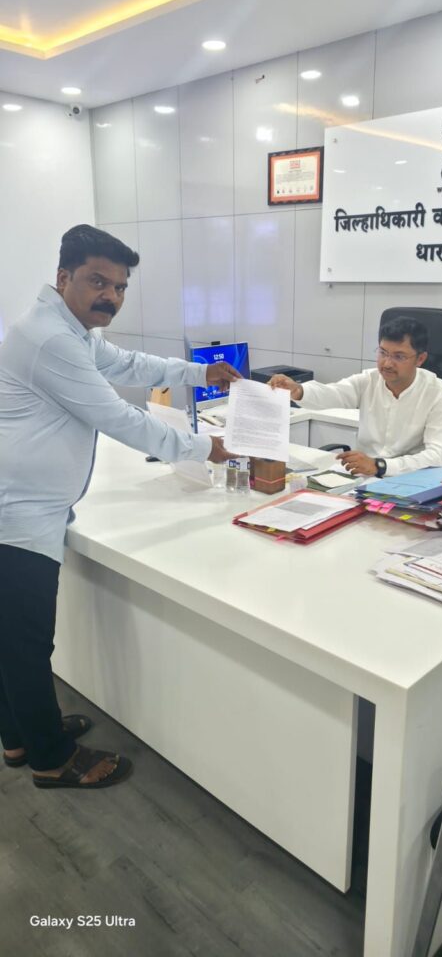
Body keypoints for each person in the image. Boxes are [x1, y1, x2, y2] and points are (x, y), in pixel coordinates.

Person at [0, 224, 240, 790]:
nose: (110, 296)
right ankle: (52, 760)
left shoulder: (71, 330)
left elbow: (129, 365)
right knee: (27, 645)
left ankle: (19, 737)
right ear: (64, 277)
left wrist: (199, 372)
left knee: (13, 640)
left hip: (28, 508)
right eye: (97, 282)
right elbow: (119, 417)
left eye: (120, 286)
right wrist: (204, 447)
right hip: (17, 516)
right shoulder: (52, 340)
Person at [270, 317, 442, 477]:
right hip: (364, 478)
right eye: (383, 353)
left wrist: (380, 466)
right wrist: (298, 390)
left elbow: (439, 456)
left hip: (411, 481)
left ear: (420, 359)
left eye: (399, 357)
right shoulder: (369, 380)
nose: (387, 363)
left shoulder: (439, 393)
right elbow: (334, 393)